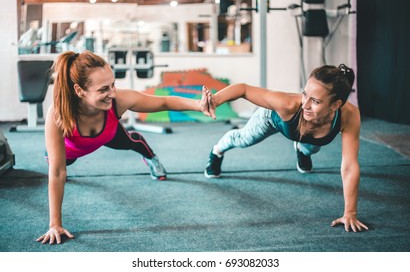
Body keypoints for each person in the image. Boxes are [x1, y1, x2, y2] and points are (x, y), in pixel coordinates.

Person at [36, 51, 213, 244]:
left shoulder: (118, 100)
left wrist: (198, 105)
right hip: (73, 149)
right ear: (79, 91)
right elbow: (57, 172)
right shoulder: (58, 113)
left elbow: (163, 101)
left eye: (113, 84)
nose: (112, 93)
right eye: (103, 89)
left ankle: (151, 158)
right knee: (57, 166)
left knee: (132, 141)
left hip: (108, 134)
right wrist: (55, 224)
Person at [204, 64, 368, 232]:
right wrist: (216, 100)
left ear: (335, 105)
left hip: (310, 133)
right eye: (305, 94)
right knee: (244, 139)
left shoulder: (349, 115)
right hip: (272, 119)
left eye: (316, 101)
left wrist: (350, 213)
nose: (305, 105)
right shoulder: (288, 104)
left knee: (312, 147)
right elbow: (243, 89)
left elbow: (349, 166)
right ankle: (217, 151)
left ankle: (301, 149)